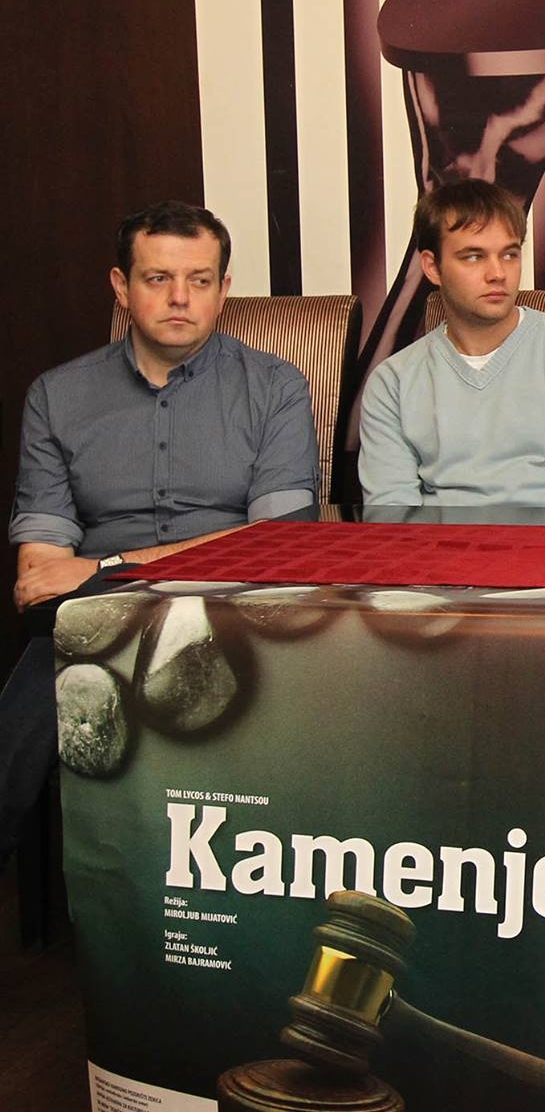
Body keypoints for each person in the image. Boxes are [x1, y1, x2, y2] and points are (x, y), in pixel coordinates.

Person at [7, 200, 318, 858]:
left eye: (199, 280)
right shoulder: (56, 396)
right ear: (121, 286)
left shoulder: (276, 388)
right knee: (28, 713)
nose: (181, 297)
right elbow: (39, 577)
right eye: (158, 278)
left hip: (231, 613)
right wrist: (93, 584)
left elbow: (282, 541)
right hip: (95, 620)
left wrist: (104, 565)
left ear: (223, 289)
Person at [356, 180, 545, 506]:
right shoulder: (392, 383)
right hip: (442, 540)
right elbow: (392, 513)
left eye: (509, 254)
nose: (498, 273)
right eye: (473, 257)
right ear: (432, 267)